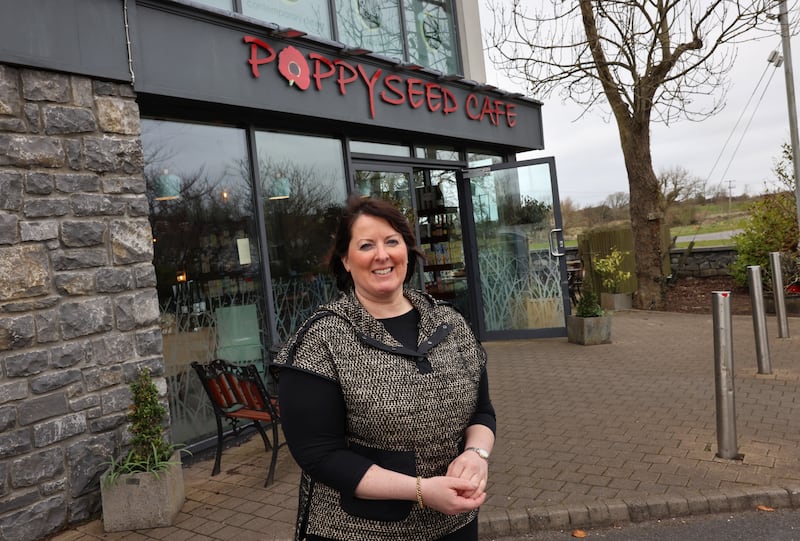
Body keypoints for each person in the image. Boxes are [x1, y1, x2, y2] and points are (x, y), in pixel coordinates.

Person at [271, 195, 496, 541]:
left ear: (406, 250)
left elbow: (482, 412)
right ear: (345, 260)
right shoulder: (321, 340)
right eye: (366, 245)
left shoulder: (449, 322)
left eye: (392, 241)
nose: (382, 255)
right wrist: (421, 490)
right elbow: (319, 455)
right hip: (358, 530)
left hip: (456, 524)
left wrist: (476, 455)